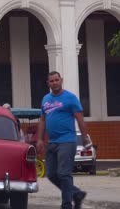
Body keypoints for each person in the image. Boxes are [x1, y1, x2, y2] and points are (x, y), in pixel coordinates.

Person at [36, 71, 92, 209]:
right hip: (52, 142)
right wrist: (39, 139)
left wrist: (85, 137)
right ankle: (76, 194)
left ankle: (66, 205)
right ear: (48, 83)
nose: (54, 83)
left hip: (67, 141)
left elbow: (80, 118)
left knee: (63, 173)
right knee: (51, 174)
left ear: (61, 80)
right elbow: (42, 120)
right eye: (52, 81)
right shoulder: (45, 99)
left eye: (57, 80)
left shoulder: (70, 98)